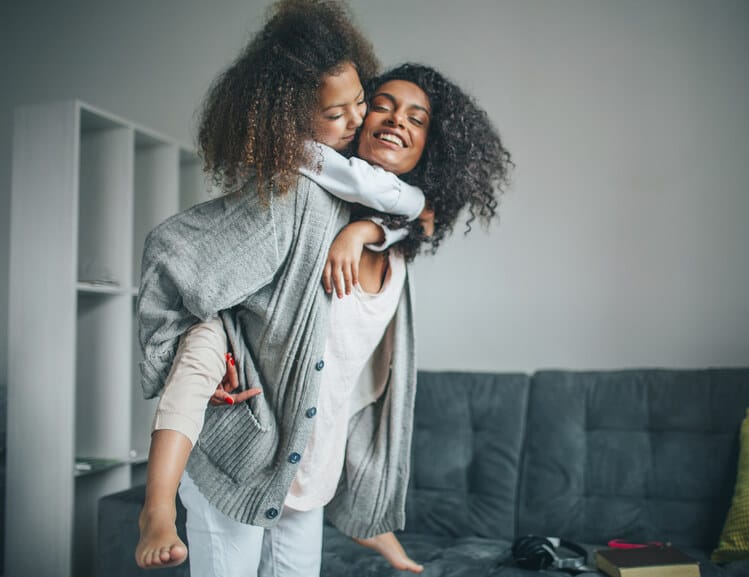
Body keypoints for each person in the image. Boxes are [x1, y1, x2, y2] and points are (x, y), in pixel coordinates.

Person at [137, 60, 511, 577]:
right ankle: (155, 511)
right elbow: (186, 258)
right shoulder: (302, 197)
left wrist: (366, 233)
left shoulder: (399, 245)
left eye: (417, 118)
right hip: (243, 449)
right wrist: (206, 342)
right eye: (382, 104)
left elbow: (351, 382)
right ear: (357, 120)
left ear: (433, 147)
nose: (397, 119)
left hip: (309, 470)